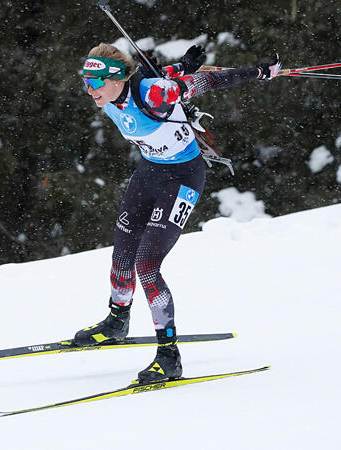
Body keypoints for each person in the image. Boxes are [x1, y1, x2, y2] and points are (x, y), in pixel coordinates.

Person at [74, 42, 281, 383]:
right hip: (150, 171)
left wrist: (259, 72)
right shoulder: (114, 93)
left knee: (147, 266)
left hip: (183, 177)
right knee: (122, 253)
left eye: (94, 83)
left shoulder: (156, 94)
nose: (90, 91)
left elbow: (208, 83)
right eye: (86, 83)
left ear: (114, 79)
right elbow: (159, 76)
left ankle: (168, 356)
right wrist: (182, 65)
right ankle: (116, 322)